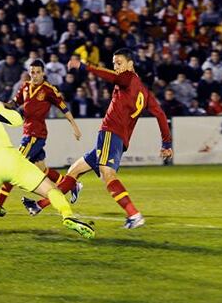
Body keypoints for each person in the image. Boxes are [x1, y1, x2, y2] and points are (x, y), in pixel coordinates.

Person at [24, 49, 173, 229]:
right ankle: (39, 205)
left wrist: (85, 67)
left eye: (119, 63)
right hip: (118, 138)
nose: (116, 67)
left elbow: (111, 77)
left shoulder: (128, 78)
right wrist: (166, 143)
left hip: (111, 133)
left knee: (107, 175)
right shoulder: (144, 91)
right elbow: (161, 115)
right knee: (74, 171)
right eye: (114, 63)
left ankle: (134, 214)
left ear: (130, 64)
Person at [0, 83, 95, 239]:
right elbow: (16, 120)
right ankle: (67, 215)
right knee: (50, 190)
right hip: (11, 161)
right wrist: (2, 106)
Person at [0, 60, 82, 208]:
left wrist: (75, 127)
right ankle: (72, 185)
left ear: (43, 73)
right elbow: (13, 104)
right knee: (42, 169)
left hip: (35, 135)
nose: (34, 75)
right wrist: (0, 105)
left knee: (14, 166)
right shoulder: (25, 86)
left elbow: (64, 108)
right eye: (32, 72)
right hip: (28, 132)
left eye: (37, 72)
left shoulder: (48, 89)